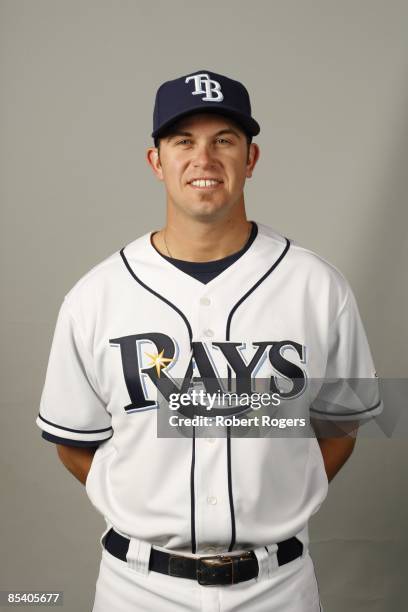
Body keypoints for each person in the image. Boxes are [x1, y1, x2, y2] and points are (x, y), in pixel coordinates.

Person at [36, 69, 382, 611]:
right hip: (137, 589)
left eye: (224, 140)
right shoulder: (96, 295)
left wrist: (279, 497)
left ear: (251, 158)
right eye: (183, 141)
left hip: (279, 588)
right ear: (157, 161)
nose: (205, 158)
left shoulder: (318, 286)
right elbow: (73, 441)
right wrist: (140, 501)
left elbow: (340, 429)